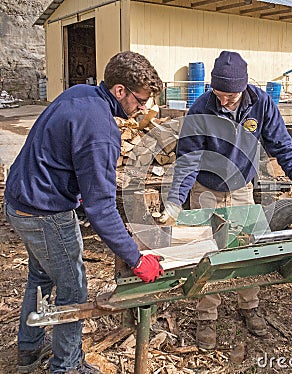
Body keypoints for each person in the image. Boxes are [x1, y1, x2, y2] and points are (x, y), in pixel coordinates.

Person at [4, 51, 164, 373]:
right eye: (140, 100)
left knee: (41, 275)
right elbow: (101, 208)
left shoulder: (81, 93)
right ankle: (67, 366)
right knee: (73, 287)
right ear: (119, 91)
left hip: (18, 201)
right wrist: (135, 258)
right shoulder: (102, 131)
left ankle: (29, 348)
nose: (144, 108)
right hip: (44, 211)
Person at [159, 50, 292, 350]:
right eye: (218, 94)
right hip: (205, 189)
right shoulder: (201, 108)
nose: (223, 101)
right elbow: (187, 160)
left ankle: (249, 306)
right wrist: (174, 202)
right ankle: (207, 316)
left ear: (244, 87)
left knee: (247, 248)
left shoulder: (262, 104)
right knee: (207, 252)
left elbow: (283, 147)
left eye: (230, 96)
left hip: (242, 188)